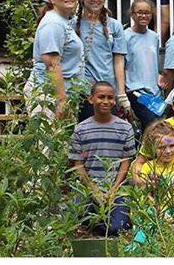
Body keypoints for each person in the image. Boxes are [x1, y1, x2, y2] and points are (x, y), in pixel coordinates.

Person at [69, 82, 135, 234]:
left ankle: (102, 224)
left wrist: (114, 189)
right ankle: (96, 223)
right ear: (91, 99)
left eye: (110, 98)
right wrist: (93, 190)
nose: (106, 101)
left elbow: (126, 161)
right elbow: (78, 164)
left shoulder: (125, 128)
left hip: (116, 189)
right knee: (74, 219)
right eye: (101, 97)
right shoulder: (80, 129)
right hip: (89, 188)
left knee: (118, 228)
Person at [28, 0, 85, 120]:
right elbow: (52, 64)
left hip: (64, 93)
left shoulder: (63, 21)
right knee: (49, 141)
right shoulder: (53, 23)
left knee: (63, 142)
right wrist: (61, 100)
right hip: (47, 94)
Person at [73, 0, 124, 115]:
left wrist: (121, 94)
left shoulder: (114, 26)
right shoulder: (71, 25)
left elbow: (118, 60)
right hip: (83, 92)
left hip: (108, 91)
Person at [119, 0, 163, 126]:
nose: (144, 16)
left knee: (156, 129)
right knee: (152, 125)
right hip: (135, 91)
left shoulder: (154, 36)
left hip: (154, 94)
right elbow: (121, 65)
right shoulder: (125, 36)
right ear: (132, 15)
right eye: (139, 12)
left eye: (147, 13)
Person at [129, 119, 174, 198]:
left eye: (172, 145)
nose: (168, 151)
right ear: (153, 148)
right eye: (162, 147)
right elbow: (146, 195)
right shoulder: (147, 167)